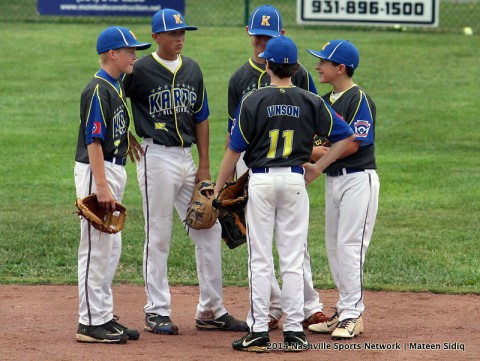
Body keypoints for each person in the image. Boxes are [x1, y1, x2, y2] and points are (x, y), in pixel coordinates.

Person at [214, 35, 355, 352]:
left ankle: (258, 331)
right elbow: (346, 137)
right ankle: (293, 332)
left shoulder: (253, 100)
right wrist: (319, 168)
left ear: (266, 65)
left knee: (260, 259)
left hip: (261, 183)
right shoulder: (311, 100)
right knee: (292, 259)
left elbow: (233, 152)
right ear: (294, 66)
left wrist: (219, 188)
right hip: (294, 183)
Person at [123, 8, 248, 335]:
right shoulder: (139, 70)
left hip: (187, 160)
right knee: (159, 234)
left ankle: (211, 310)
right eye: (173, 34)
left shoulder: (193, 69)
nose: (179, 38)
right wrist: (123, 134)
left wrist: (204, 165)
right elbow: (109, 96)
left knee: (209, 229)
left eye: (182, 33)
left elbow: (202, 117)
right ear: (156, 38)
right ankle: (156, 310)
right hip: (156, 158)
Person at [226, 3, 327, 331]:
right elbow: (234, 135)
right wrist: (229, 176)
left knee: (294, 243)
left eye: (268, 38)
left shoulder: (300, 73)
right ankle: (271, 308)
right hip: (251, 163)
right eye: (258, 37)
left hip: (290, 162)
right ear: (248, 34)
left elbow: (314, 117)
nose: (262, 43)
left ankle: (309, 306)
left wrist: (306, 155)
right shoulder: (239, 79)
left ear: (281, 35)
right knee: (258, 241)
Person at [74, 26, 151, 344]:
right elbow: (93, 139)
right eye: (130, 50)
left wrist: (124, 136)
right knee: (95, 248)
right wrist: (101, 186)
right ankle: (89, 322)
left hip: (111, 167)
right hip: (98, 171)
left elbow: (106, 127)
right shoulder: (97, 88)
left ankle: (103, 315)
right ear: (111, 54)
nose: (135, 55)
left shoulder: (115, 86)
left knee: (110, 248)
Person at [306, 40, 380, 339]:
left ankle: (353, 314)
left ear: (340, 67)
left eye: (323, 62)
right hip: (334, 181)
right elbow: (312, 143)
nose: (317, 66)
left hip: (358, 180)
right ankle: (344, 311)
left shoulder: (359, 99)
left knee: (350, 248)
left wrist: (315, 162)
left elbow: (351, 144)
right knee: (335, 249)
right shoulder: (324, 101)